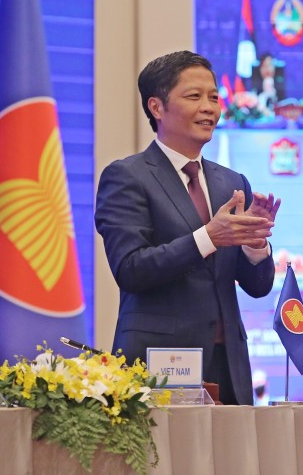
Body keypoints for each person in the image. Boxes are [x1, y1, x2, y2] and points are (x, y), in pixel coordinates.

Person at [95, 50, 280, 406]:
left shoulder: (232, 183)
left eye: (214, 97)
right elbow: (131, 269)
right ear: (156, 107)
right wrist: (209, 237)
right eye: (194, 97)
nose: (209, 108)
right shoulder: (127, 177)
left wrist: (255, 245)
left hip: (228, 365)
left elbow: (257, 287)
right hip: (158, 365)